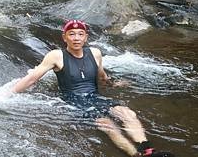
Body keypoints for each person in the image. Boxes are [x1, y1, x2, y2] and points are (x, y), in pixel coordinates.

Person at [11, 19, 174, 157]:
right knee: (106, 124)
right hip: (73, 100)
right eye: (72, 34)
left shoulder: (95, 53)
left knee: (128, 113)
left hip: (94, 96)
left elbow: (101, 75)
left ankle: (147, 149)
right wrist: (8, 95)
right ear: (64, 37)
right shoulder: (56, 56)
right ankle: (135, 154)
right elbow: (32, 78)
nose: (76, 38)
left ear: (86, 37)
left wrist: (113, 84)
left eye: (80, 34)